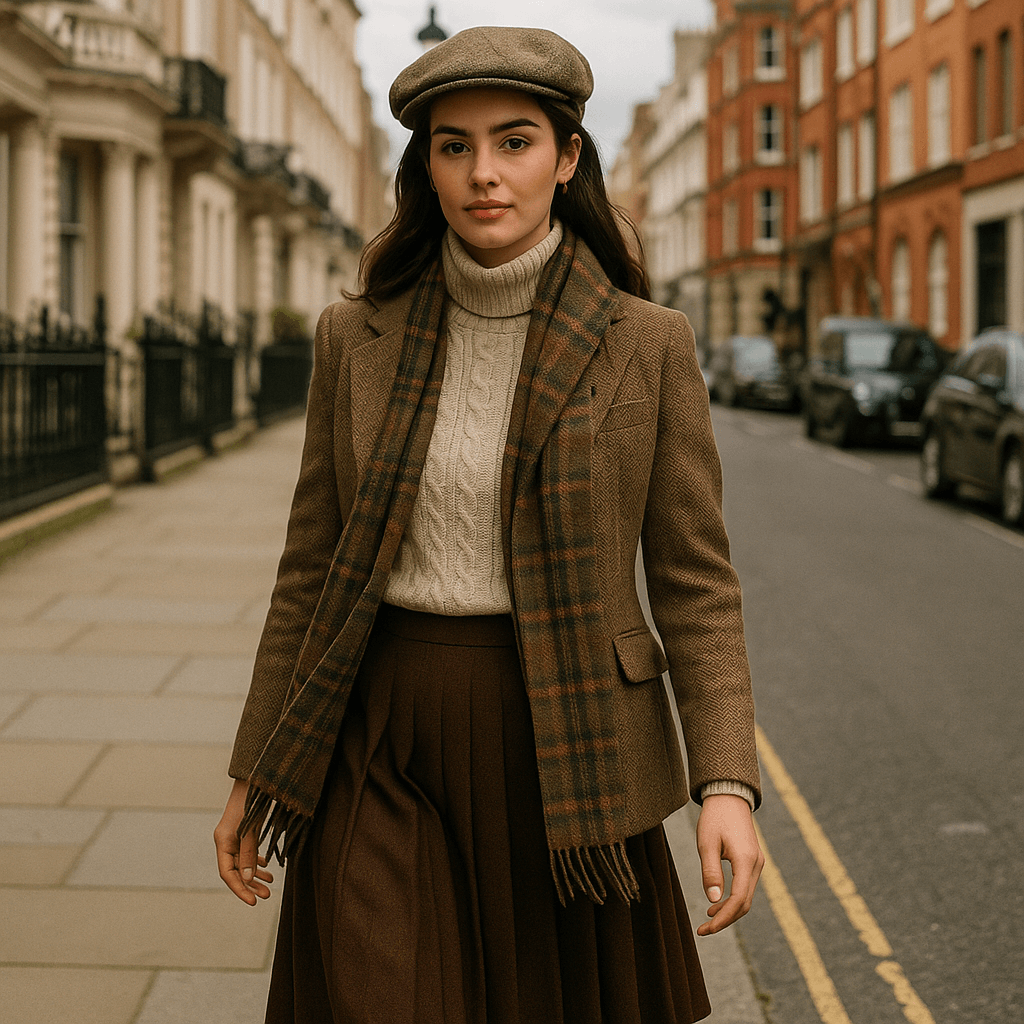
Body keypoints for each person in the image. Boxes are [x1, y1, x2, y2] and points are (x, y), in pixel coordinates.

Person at [215, 25, 764, 1024]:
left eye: (515, 141)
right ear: (424, 168)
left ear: (566, 158)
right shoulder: (353, 335)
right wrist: (258, 764)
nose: (483, 173)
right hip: (379, 723)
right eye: (453, 145)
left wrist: (724, 780)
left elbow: (694, 582)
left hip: (568, 737)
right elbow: (309, 566)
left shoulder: (648, 343)